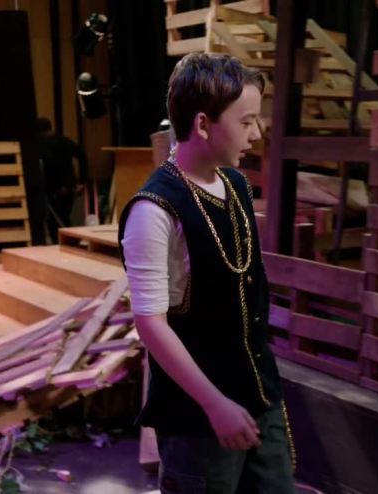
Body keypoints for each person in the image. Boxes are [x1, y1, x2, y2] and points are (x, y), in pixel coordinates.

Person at [118, 53, 295, 493]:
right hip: (199, 419)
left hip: (259, 395)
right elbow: (151, 324)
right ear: (202, 124)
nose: (257, 133)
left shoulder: (235, 185)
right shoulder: (154, 210)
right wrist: (215, 404)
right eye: (246, 121)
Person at [36, 117, 88, 242]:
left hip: (53, 187)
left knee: (53, 221)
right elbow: (82, 155)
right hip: (69, 185)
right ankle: (68, 242)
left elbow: (49, 167)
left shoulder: (41, 144)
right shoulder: (64, 141)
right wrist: (82, 181)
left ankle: (62, 243)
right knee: (64, 217)